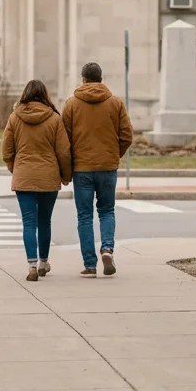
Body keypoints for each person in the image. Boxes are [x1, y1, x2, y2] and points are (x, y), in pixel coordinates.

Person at [62, 62, 133, 278]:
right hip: (107, 167)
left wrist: (69, 164)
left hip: (82, 169)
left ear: (83, 79)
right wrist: (113, 154)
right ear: (101, 78)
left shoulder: (71, 104)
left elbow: (64, 139)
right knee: (107, 211)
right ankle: (108, 249)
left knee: (84, 216)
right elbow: (127, 136)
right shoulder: (116, 103)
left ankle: (90, 265)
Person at [2, 80, 72, 282]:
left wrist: (15, 169)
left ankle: (31, 265)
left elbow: (6, 150)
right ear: (45, 95)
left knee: (28, 223)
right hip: (48, 177)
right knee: (44, 221)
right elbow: (64, 152)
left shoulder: (15, 117)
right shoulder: (54, 119)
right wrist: (66, 175)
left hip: (24, 175)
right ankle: (43, 262)